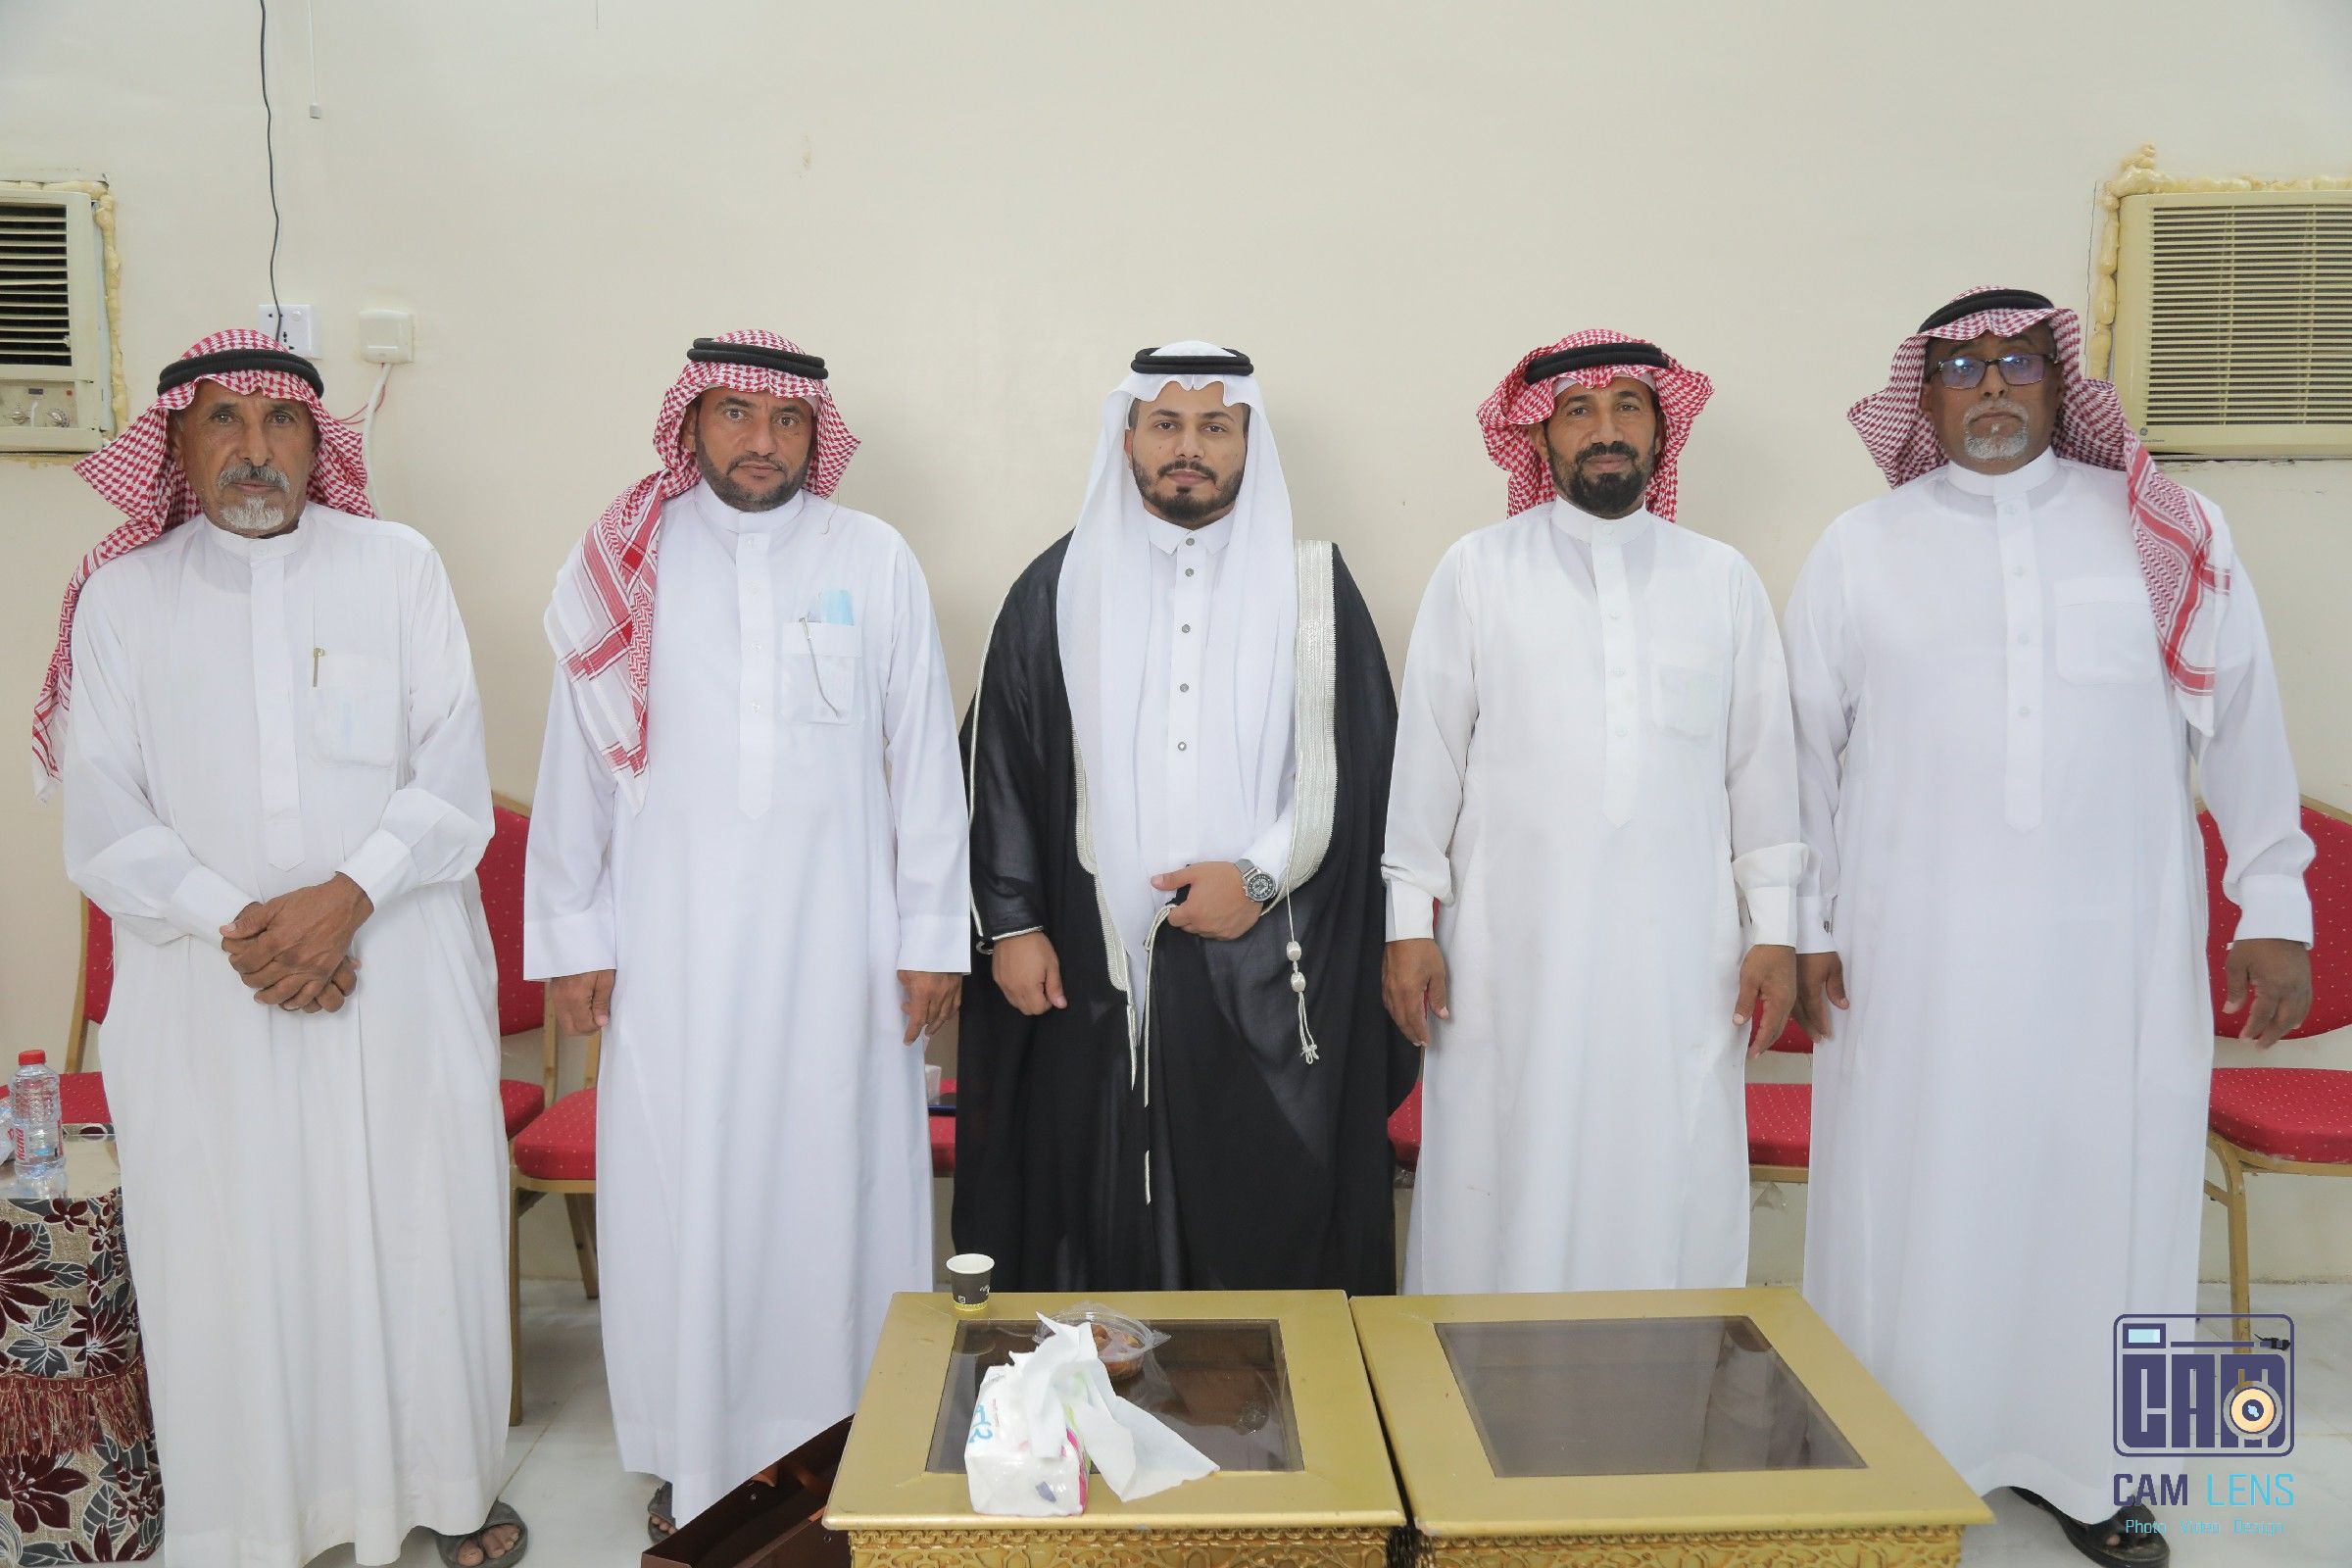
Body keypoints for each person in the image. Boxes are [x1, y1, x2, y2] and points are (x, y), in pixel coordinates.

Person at [1786, 286, 2314, 1567]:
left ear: (2059, 379)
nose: (1992, 388)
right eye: (1963, 368)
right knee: (1912, 1201)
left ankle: (2108, 1472)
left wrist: (2275, 900)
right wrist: (1801, 922)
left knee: (2114, 1197)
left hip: (2112, 954)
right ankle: (1896, 1462)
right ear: (1926, 394)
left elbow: (2244, 720)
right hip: (1912, 955)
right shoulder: (1860, 546)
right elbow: (1798, 749)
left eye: (2017, 362)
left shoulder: (2165, 527)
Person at [42, 328, 523, 1567]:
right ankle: (254, 1520)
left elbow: (451, 775)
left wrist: (343, 901)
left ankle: (446, 1492)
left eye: (282, 422)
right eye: (224, 420)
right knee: (227, 1247)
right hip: (205, 990)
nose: (254, 449)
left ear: (320, 442)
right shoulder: (122, 597)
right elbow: (103, 815)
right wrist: (250, 929)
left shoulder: (398, 567)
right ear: (177, 442)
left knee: (415, 1229)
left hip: (395, 966)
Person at [524, 330, 967, 1540]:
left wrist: (933, 934)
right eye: (734, 414)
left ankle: (849, 1441)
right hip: (674, 950)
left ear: (816, 433)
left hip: (844, 951)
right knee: (688, 1189)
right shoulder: (628, 561)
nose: (761, 441)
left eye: (785, 420)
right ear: (690, 425)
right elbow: (577, 765)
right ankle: (694, 1453)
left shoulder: (872, 557)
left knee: (838, 1186)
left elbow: (925, 758)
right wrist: (573, 933)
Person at [956, 342, 1412, 1295]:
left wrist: (1256, 880)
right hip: (1086, 966)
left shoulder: (1314, 589)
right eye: (1165, 424)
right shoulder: (1058, 585)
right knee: (1088, 1208)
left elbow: (1358, 768)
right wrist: (1014, 925)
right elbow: (1001, 758)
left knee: (1266, 1208)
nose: (1189, 448)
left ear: (1250, 441)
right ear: (1128, 437)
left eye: (1215, 426)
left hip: (1263, 958)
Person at [1383, 330, 1801, 1294]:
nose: (1605, 429)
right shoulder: (1478, 570)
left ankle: (1657, 1381)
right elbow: (1427, 761)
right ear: (1539, 435)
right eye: (1578, 410)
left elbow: (1761, 769)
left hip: (1681, 958)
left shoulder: (1722, 579)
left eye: (1627, 407)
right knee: (1505, 1169)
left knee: (1666, 1169)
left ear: (1661, 428)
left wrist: (1776, 930)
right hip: (1510, 954)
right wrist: (1407, 925)